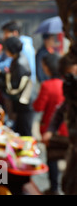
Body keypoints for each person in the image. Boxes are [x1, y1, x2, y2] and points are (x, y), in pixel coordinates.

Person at [42, 54, 77, 195]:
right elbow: (61, 110)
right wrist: (50, 130)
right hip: (73, 144)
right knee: (69, 184)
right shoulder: (71, 89)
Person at [33, 53, 67, 195]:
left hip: (50, 130)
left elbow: (38, 107)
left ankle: (54, 188)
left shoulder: (47, 86)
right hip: (67, 130)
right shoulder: (67, 85)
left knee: (52, 158)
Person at [0, 36, 35, 136]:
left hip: (24, 104)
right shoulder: (18, 58)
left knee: (24, 132)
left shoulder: (20, 64)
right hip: (20, 103)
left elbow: (12, 87)